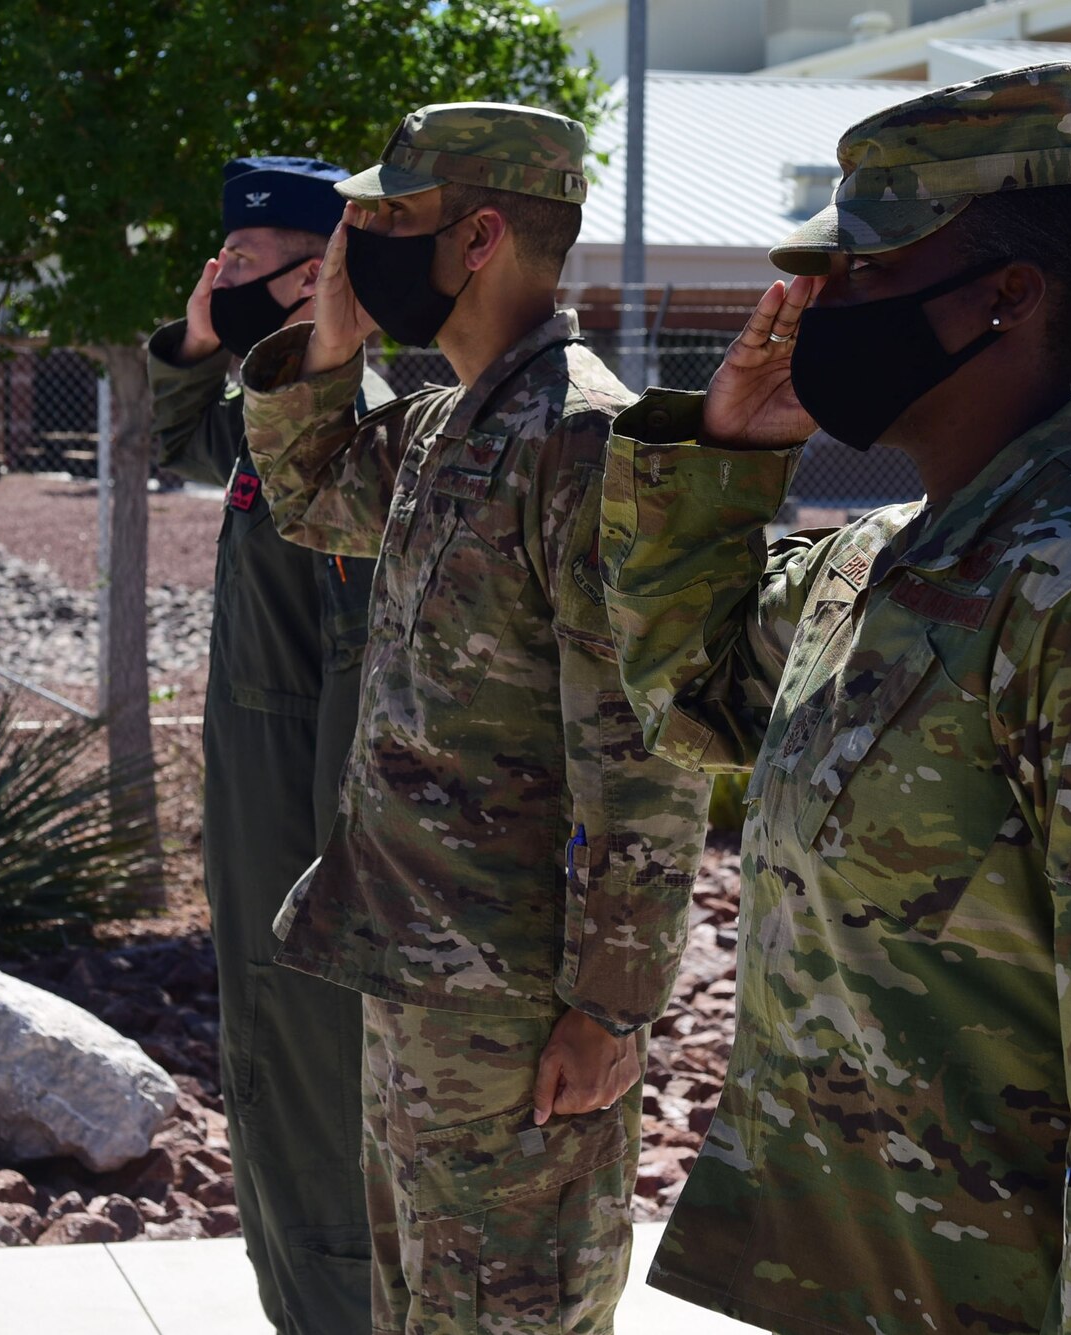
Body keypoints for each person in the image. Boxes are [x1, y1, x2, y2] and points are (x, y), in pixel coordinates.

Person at [599, 64, 1071, 1335]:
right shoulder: (880, 559)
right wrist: (727, 463)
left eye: (859, 278)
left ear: (1005, 298)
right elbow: (684, 690)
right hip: (850, 1284)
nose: (809, 305)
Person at [237, 103, 712, 1334]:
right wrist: (329, 349)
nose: (354, 237)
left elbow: (645, 759)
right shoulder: (455, 421)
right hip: (418, 974)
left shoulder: (585, 442)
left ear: (480, 236)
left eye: (388, 218)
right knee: (421, 1308)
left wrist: (610, 1004)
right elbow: (310, 493)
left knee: (511, 1310)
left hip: (513, 1005)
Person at [146, 155, 390, 1335]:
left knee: (311, 1094)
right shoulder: (274, 419)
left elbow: (358, 689)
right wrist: (200, 337)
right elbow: (180, 444)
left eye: (242, 263)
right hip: (259, 820)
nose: (217, 274)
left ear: (315, 275)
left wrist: (322, 871)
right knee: (268, 1087)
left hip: (306, 836)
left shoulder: (357, 442)